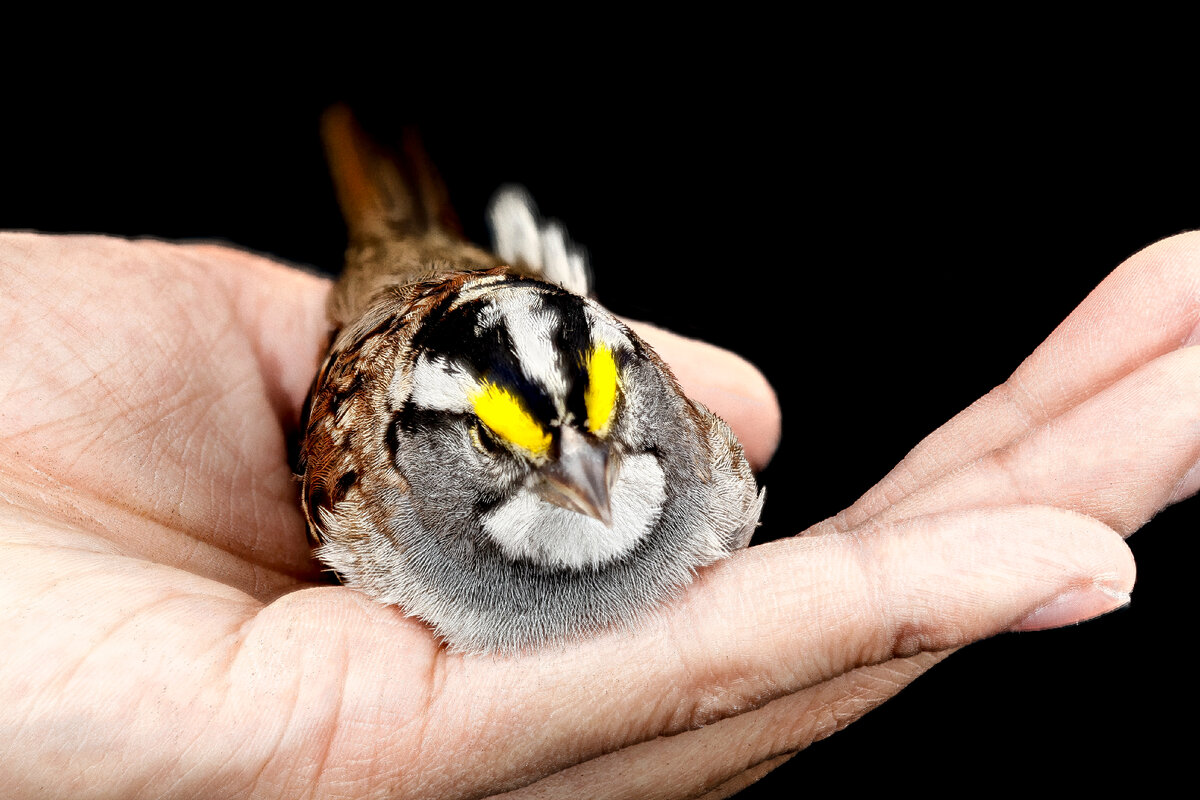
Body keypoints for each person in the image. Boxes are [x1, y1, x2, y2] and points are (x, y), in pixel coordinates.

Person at [0, 229, 1194, 798]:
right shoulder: (359, 488)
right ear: (409, 456)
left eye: (610, 429)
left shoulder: (696, 465)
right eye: (502, 446)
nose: (591, 475)